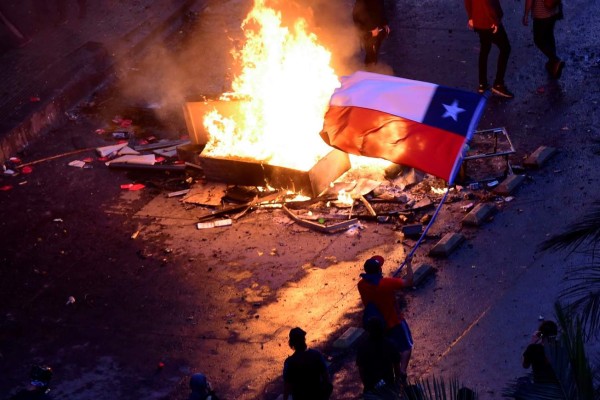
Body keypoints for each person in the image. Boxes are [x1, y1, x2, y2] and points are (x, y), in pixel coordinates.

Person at [357, 255, 414, 384]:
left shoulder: (361, 285)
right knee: (406, 347)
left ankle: (393, 374)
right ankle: (402, 372)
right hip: (395, 321)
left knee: (387, 350)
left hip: (378, 325)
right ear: (379, 270)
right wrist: (408, 263)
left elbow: (376, 284)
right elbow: (409, 281)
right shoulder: (387, 283)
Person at [464, 0, 514, 98]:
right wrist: (495, 21)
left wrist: (471, 16)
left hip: (478, 19)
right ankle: (498, 84)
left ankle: (482, 83)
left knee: (485, 49)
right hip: (489, 21)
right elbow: (488, 3)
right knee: (505, 48)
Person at [356, 316, 402, 399]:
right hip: (388, 386)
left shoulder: (362, 347)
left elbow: (361, 369)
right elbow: (397, 366)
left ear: (368, 331)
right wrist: (397, 383)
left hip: (371, 388)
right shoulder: (389, 344)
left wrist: (366, 385)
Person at [283, 327, 333, 400]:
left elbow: (287, 386)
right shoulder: (317, 355)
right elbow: (326, 379)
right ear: (304, 340)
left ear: (291, 343)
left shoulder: (289, 362)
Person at [522, 0, 564, 79]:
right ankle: (552, 63)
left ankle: (555, 60)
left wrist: (526, 14)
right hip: (554, 9)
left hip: (541, 14)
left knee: (538, 40)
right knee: (549, 34)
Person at [352, 0, 390, 67]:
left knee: (375, 52)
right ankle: (370, 71)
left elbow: (381, 10)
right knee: (371, 55)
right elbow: (356, 15)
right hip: (368, 33)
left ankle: (372, 70)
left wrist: (385, 23)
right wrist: (370, 30)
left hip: (378, 30)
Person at [522, 320, 560, 384]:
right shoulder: (561, 348)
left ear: (540, 334)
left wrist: (533, 342)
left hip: (539, 388)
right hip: (559, 388)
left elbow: (525, 365)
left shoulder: (533, 349)